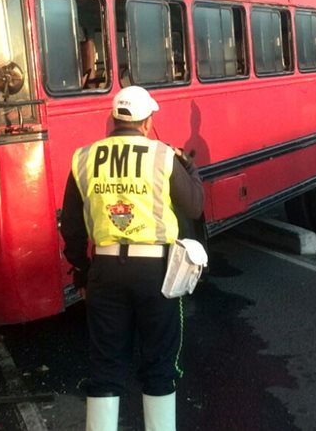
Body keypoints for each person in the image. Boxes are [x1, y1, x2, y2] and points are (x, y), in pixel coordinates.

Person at [59, 85, 205, 431]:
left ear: (113, 120)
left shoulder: (84, 158)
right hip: (156, 273)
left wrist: (82, 270)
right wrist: (190, 166)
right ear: (147, 121)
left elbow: (72, 226)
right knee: (158, 363)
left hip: (106, 270)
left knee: (105, 366)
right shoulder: (162, 155)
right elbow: (195, 205)